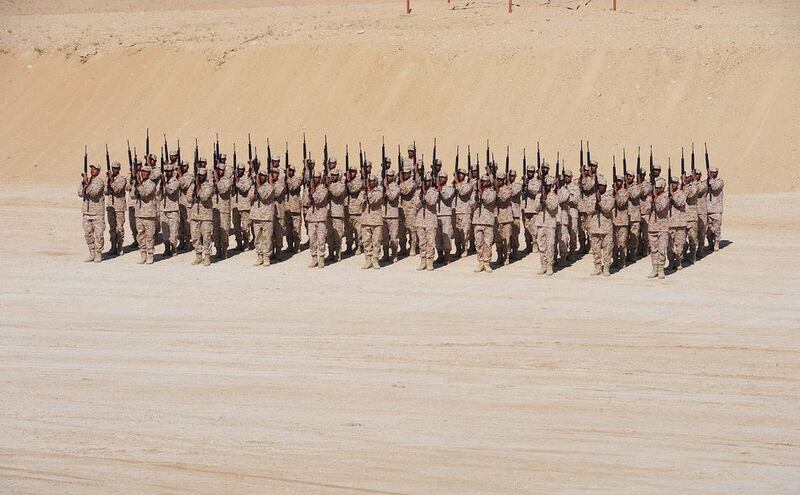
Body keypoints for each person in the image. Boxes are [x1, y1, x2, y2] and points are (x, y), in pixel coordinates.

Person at [303, 169, 330, 268]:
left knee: (321, 239)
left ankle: (321, 258)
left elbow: (318, 200)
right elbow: (306, 203)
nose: (315, 179)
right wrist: (309, 192)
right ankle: (314, 258)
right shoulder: (307, 189)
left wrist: (313, 192)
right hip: (311, 218)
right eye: (314, 178)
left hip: (321, 218)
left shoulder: (323, 189)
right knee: (312, 239)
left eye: (317, 177)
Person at [588, 175, 614, 276]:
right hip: (595, 228)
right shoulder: (592, 197)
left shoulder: (610, 197)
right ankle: (598, 267)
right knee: (596, 249)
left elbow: (608, 209)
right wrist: (595, 206)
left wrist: (600, 202)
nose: (600, 188)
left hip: (606, 228)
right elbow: (588, 210)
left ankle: (606, 267)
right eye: (598, 186)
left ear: (606, 187)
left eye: (602, 186)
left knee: (607, 249)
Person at [79, 162, 105, 262]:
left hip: (97, 213)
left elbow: (93, 193)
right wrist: (84, 183)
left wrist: (86, 184)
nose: (92, 170)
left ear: (98, 171)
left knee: (99, 235)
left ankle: (98, 253)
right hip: (86, 212)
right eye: (91, 169)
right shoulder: (86, 180)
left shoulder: (99, 182)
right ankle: (91, 252)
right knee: (88, 234)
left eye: (94, 169)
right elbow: (80, 193)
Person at [532, 176, 559, 275]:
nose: (546, 187)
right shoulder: (538, 196)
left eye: (548, 186)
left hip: (550, 224)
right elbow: (536, 208)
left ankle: (549, 265)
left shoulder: (554, 195)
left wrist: (546, 200)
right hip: (540, 224)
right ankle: (543, 264)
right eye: (545, 186)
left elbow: (553, 208)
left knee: (550, 245)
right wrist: (540, 201)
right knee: (541, 245)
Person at [132, 165, 158, 265]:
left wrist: (138, 184)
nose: (143, 173)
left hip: (149, 214)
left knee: (149, 236)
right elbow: (133, 196)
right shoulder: (139, 183)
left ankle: (150, 254)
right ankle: (143, 254)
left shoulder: (151, 184)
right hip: (139, 213)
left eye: (145, 172)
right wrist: (136, 185)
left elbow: (145, 194)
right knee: (140, 236)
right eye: (142, 171)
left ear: (149, 173)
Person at [250, 168, 276, 267]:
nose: (261, 177)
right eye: (260, 175)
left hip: (266, 216)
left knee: (267, 238)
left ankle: (266, 257)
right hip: (256, 216)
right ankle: (259, 255)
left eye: (263, 176)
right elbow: (250, 199)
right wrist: (253, 194)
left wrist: (258, 186)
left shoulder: (269, 187)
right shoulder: (255, 187)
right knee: (257, 238)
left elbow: (264, 196)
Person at [189, 164, 214, 266]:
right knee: (195, 237)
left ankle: (207, 256)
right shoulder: (192, 186)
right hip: (194, 214)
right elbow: (188, 199)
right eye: (199, 175)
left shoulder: (209, 185)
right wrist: (194, 190)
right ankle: (198, 256)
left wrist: (198, 187)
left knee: (206, 236)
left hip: (206, 215)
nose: (200, 177)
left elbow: (204, 197)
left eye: (202, 175)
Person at [472, 175, 497, 273]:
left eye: (485, 181)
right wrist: (476, 196)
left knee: (488, 243)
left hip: (488, 221)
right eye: (482, 181)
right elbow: (471, 204)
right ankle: (480, 261)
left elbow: (488, 201)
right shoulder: (476, 193)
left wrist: (481, 194)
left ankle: (487, 262)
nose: (483, 183)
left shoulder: (492, 192)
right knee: (478, 243)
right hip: (477, 220)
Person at [415, 173, 439, 271]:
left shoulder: (434, 191)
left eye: (428, 181)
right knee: (422, 242)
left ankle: (430, 261)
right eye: (425, 181)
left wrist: (425, 194)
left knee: (431, 242)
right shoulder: (418, 192)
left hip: (430, 221)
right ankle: (423, 260)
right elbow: (416, 204)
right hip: (420, 220)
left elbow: (431, 202)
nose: (426, 183)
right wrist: (421, 196)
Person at [647, 177, 670, 279]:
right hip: (652, 226)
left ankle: (661, 269)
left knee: (662, 249)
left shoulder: (665, 197)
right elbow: (646, 209)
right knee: (653, 249)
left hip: (662, 227)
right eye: (655, 188)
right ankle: (654, 268)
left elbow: (660, 208)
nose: (656, 189)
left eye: (659, 188)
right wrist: (650, 200)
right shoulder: (650, 197)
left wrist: (655, 199)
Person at [361, 174, 384, 269]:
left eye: (372, 181)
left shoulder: (379, 191)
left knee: (376, 242)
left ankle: (375, 259)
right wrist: (364, 194)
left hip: (376, 221)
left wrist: (368, 192)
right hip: (366, 220)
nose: (370, 182)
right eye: (369, 181)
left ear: (376, 181)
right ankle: (368, 260)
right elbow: (359, 202)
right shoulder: (363, 191)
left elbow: (373, 201)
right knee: (366, 242)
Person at [211, 159, 232, 259]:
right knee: (215, 231)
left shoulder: (227, 180)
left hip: (224, 210)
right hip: (215, 209)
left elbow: (222, 190)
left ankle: (224, 251)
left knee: (224, 231)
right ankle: (217, 249)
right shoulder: (212, 180)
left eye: (221, 170)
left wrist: (216, 181)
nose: (219, 171)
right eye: (218, 169)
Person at [105, 161, 127, 256]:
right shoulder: (108, 179)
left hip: (119, 207)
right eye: (113, 168)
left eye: (116, 168)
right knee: (112, 229)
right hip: (110, 206)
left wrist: (111, 181)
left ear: (119, 169)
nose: (114, 170)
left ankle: (120, 247)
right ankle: (113, 246)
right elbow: (105, 191)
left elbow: (118, 189)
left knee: (119, 228)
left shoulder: (122, 179)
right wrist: (108, 182)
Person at [435, 170, 455, 264]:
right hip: (436, 215)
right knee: (437, 237)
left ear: (446, 179)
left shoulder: (449, 188)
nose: (440, 179)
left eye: (442, 178)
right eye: (439, 177)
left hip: (446, 214)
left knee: (446, 236)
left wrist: (440, 190)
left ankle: (447, 256)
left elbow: (447, 198)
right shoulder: (435, 188)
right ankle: (440, 255)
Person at [160, 163, 180, 257]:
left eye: (169, 172)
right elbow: (156, 193)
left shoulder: (175, 181)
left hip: (173, 209)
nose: (167, 173)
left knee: (173, 231)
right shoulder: (162, 181)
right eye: (166, 172)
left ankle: (173, 248)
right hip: (163, 209)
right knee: (165, 231)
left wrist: (164, 184)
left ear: (172, 172)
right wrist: (160, 185)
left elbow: (170, 192)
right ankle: (166, 248)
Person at [668, 175, 688, 270]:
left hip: (680, 223)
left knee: (680, 245)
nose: (673, 185)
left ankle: (678, 262)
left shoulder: (682, 193)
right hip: (670, 223)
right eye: (671, 183)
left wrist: (672, 195)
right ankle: (671, 262)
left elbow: (680, 203)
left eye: (675, 183)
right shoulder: (666, 194)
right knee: (669, 246)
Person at [232, 163, 253, 251]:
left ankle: (246, 243)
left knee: (245, 227)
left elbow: (244, 189)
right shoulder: (234, 178)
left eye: (241, 169)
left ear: (244, 170)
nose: (240, 171)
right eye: (238, 169)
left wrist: (237, 181)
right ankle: (239, 243)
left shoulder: (248, 178)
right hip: (235, 206)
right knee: (236, 226)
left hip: (245, 206)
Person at [381, 169, 401, 262]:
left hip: (393, 216)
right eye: (387, 175)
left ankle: (394, 255)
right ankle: (385, 255)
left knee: (393, 237)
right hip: (383, 215)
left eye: (390, 176)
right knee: (384, 238)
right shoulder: (381, 187)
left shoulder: (396, 187)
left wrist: (386, 187)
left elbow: (392, 197)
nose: (388, 177)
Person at [578, 160, 598, 254]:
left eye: (594, 166)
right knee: (581, 227)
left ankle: (590, 245)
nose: (591, 168)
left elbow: (587, 187)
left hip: (591, 206)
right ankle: (582, 245)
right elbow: (578, 186)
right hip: (582, 206)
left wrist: (587, 176)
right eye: (590, 166)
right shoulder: (583, 178)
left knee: (590, 227)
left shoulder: (597, 178)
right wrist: (582, 175)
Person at [454, 168, 474, 257]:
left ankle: (465, 249)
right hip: (456, 211)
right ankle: (458, 249)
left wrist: (457, 183)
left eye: (461, 174)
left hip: (465, 211)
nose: (459, 175)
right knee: (457, 233)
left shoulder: (468, 185)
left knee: (465, 232)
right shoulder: (454, 184)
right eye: (458, 174)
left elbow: (462, 192)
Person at [345, 161, 364, 255]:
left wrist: (348, 181)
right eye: (350, 171)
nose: (351, 173)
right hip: (347, 210)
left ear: (356, 172)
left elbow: (353, 190)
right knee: (348, 231)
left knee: (358, 231)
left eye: (353, 171)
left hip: (356, 210)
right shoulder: (346, 181)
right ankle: (348, 247)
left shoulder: (358, 181)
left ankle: (359, 246)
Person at [328, 168, 347, 262]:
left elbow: (336, 193)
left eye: (334, 175)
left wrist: (329, 186)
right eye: (331, 175)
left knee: (338, 235)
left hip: (338, 214)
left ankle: (338, 254)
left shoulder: (341, 185)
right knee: (329, 235)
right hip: (329, 213)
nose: (332, 177)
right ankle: (331, 253)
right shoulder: (328, 185)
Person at [495, 172, 514, 265]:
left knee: (507, 240)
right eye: (497, 179)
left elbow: (503, 198)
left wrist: (497, 190)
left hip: (507, 217)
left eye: (500, 180)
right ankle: (499, 256)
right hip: (497, 218)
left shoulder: (508, 189)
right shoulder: (494, 189)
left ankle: (506, 257)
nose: (498, 181)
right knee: (498, 239)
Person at [399, 163, 418, 255]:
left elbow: (406, 192)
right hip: (401, 208)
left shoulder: (412, 182)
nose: (405, 174)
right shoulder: (399, 182)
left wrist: (401, 182)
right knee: (402, 230)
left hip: (410, 209)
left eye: (406, 173)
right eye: (403, 173)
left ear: (410, 173)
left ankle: (413, 247)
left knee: (412, 229)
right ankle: (403, 248)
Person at [611, 175, 630, 268]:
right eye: (616, 181)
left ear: (622, 182)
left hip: (622, 221)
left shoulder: (625, 192)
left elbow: (620, 203)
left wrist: (616, 193)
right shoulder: (611, 192)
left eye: (619, 181)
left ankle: (622, 260)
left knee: (622, 243)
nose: (618, 182)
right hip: (613, 221)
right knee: (613, 243)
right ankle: (614, 260)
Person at [270, 157, 286, 259]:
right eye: (272, 173)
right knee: (270, 233)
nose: (273, 175)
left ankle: (279, 251)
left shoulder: (281, 183)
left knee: (279, 232)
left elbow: (275, 193)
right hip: (269, 211)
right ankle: (270, 251)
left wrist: (271, 183)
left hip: (279, 210)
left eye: (275, 173)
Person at [285, 165, 303, 252]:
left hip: (295, 208)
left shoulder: (297, 179)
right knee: (288, 230)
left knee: (296, 229)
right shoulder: (284, 180)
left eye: (292, 170)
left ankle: (297, 246)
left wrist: (287, 179)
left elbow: (292, 188)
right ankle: (289, 246)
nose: (290, 172)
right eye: (289, 170)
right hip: (287, 208)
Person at [176, 160, 193, 251]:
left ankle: (188, 242)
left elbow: (183, 186)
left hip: (186, 203)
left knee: (187, 224)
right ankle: (181, 241)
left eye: (185, 166)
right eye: (182, 166)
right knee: (180, 224)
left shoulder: (189, 176)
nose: (183, 168)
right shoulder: (178, 176)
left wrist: (180, 176)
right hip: (179, 203)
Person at [707, 166, 724, 251]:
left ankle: (716, 243)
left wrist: (710, 180)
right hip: (708, 209)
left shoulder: (720, 182)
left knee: (716, 228)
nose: (712, 174)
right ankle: (710, 243)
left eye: (714, 172)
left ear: (717, 173)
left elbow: (714, 187)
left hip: (717, 209)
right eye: (711, 172)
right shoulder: (707, 182)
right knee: (708, 230)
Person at [683, 172, 699, 264]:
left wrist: (684, 186)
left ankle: (693, 255)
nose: (686, 179)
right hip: (683, 217)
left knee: (692, 238)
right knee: (682, 239)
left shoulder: (694, 186)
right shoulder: (683, 186)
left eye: (688, 177)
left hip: (691, 216)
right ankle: (684, 255)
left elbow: (688, 195)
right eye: (685, 177)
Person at [522, 167, 539, 253]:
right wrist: (523, 185)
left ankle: (535, 244)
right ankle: (528, 245)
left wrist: (527, 186)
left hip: (533, 208)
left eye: (531, 172)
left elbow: (536, 192)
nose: (530, 173)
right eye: (528, 171)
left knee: (534, 228)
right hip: (525, 208)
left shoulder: (536, 182)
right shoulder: (523, 180)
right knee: (526, 228)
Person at [625, 171, 642, 263]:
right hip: (624, 216)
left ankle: (633, 254)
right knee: (624, 237)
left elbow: (634, 196)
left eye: (630, 176)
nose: (628, 177)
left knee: (634, 237)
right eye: (627, 176)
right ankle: (625, 254)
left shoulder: (637, 186)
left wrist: (627, 188)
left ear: (634, 177)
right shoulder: (623, 185)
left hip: (634, 216)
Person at [508, 169, 523, 260]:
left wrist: (507, 185)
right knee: (506, 235)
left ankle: (515, 251)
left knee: (514, 234)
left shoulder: (517, 185)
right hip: (506, 214)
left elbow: (512, 193)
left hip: (515, 214)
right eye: (510, 176)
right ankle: (507, 252)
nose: (511, 178)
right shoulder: (504, 186)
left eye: (513, 176)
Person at [694, 168, 708, 259]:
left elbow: (697, 190)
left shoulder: (703, 184)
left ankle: (700, 250)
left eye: (698, 174)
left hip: (701, 211)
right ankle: (693, 252)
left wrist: (693, 182)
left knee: (701, 233)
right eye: (695, 174)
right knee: (693, 233)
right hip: (692, 212)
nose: (696, 176)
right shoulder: (689, 185)